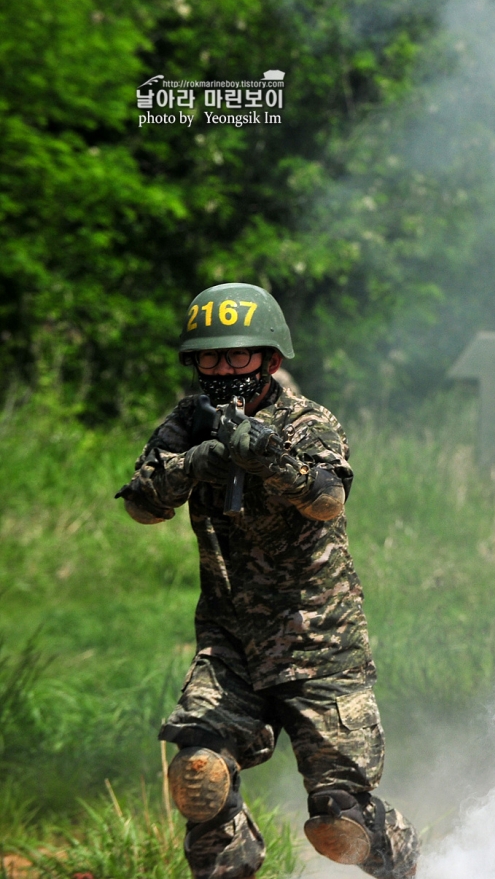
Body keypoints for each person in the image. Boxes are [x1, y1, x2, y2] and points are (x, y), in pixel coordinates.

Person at [115, 283, 418, 879]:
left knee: (341, 825)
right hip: (230, 640)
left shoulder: (308, 421)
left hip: (318, 642)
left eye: (238, 356)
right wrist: (196, 462)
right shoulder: (186, 421)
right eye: (210, 356)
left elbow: (327, 501)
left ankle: (403, 858)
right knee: (198, 775)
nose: (223, 368)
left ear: (270, 360)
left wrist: (271, 460)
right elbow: (143, 505)